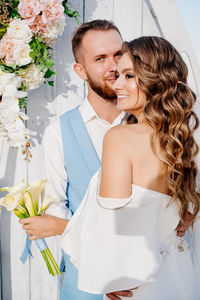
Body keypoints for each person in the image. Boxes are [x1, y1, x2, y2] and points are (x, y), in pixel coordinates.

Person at [60, 36, 200, 300]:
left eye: (129, 76)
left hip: (138, 285)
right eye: (117, 75)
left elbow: (111, 224)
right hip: (181, 272)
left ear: (155, 81)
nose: (117, 84)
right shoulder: (182, 140)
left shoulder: (119, 137)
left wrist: (107, 275)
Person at [19, 19, 134, 300]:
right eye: (100, 58)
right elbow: (57, 212)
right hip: (85, 283)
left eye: (118, 54)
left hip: (141, 281)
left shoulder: (147, 123)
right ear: (80, 70)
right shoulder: (58, 132)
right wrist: (104, 273)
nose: (113, 66)